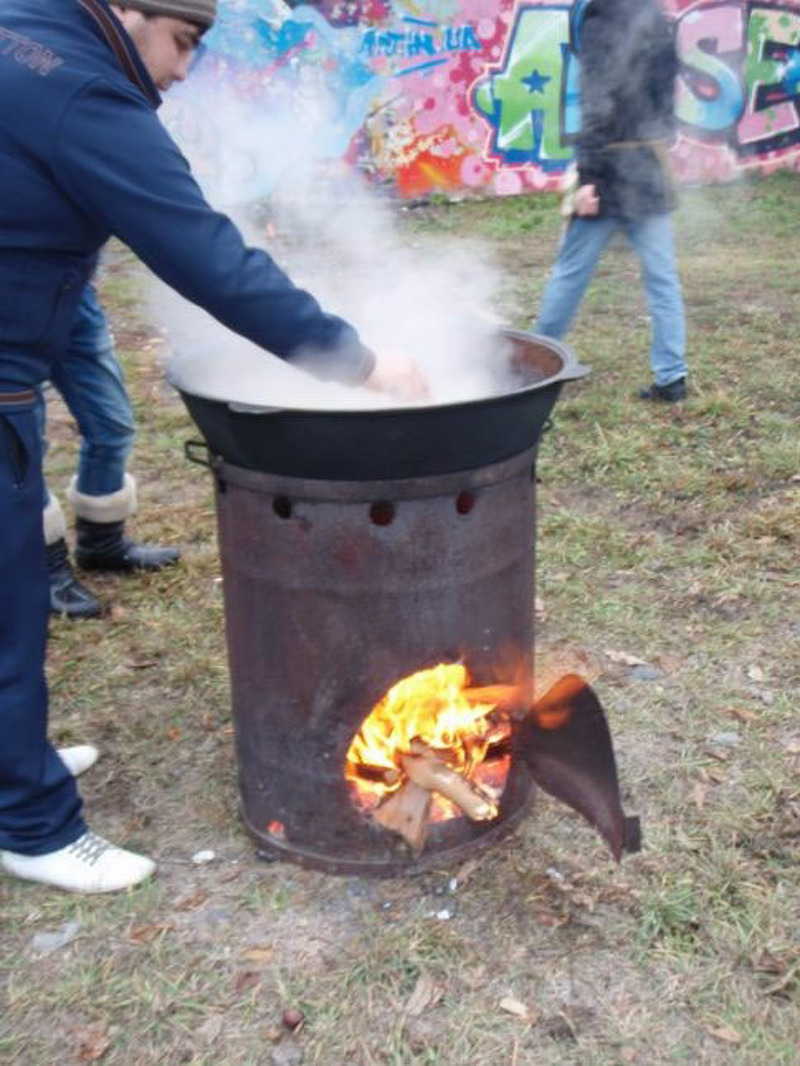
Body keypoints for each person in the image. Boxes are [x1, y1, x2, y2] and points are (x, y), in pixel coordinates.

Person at [0, 0, 423, 895]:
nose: (186, 69)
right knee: (5, 614)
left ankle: (12, 759)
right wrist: (362, 363)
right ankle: (30, 824)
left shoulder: (21, 28)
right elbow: (206, 255)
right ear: (128, 12)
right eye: (184, 40)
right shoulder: (84, 91)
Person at [533, 0, 688, 403]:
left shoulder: (601, 19)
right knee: (662, 277)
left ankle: (533, 366)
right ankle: (672, 377)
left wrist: (588, 177)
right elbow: (666, 93)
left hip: (609, 171)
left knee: (570, 272)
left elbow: (596, 101)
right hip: (646, 164)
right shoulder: (654, 15)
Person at [41, 282, 179, 620]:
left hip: (71, 295)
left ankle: (101, 543)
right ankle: (42, 567)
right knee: (19, 447)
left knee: (111, 425)